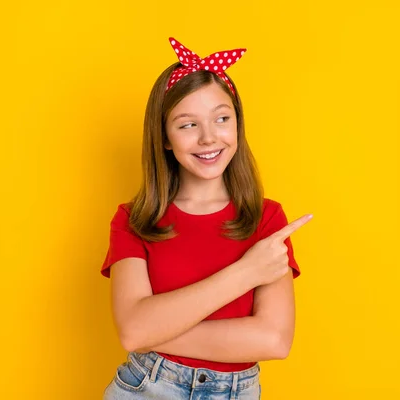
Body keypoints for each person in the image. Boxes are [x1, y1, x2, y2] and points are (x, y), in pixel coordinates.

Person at [100, 37, 313, 400]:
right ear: (164, 137)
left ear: (237, 124)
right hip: (146, 387)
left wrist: (157, 328)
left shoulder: (266, 217)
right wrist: (246, 272)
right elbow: (134, 333)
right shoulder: (134, 219)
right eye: (187, 125)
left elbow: (274, 340)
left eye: (222, 118)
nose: (209, 137)